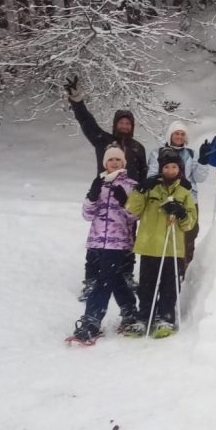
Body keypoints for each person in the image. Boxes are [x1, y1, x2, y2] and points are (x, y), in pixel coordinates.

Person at [64, 75, 147, 301]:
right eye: (121, 122)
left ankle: (126, 275)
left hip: (128, 198)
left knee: (129, 237)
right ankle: (91, 280)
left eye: (128, 123)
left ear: (132, 126)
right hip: (103, 196)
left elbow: (144, 175)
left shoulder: (139, 148)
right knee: (97, 238)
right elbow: (86, 122)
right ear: (115, 124)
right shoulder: (104, 141)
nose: (124, 125)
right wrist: (76, 100)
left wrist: (139, 199)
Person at [66, 146, 139, 345]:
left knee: (104, 280)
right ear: (104, 163)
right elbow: (87, 215)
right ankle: (130, 312)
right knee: (114, 278)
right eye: (110, 160)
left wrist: (125, 202)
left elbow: (136, 215)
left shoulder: (131, 185)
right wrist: (92, 196)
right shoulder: (99, 183)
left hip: (118, 242)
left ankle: (92, 322)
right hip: (97, 241)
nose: (114, 163)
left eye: (118, 160)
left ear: (123, 163)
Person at [123, 149, 198, 338]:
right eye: (167, 167)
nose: (170, 170)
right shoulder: (151, 189)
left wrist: (181, 213)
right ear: (161, 168)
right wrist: (140, 190)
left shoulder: (185, 192)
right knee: (146, 286)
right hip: (150, 246)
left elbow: (189, 224)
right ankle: (144, 317)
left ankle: (165, 317)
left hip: (173, 249)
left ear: (179, 169)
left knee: (169, 286)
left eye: (174, 167)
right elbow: (132, 210)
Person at [147, 121, 208, 269]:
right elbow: (152, 175)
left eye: (182, 134)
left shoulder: (191, 154)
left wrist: (204, 161)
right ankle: (164, 266)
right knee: (164, 233)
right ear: (170, 135)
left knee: (189, 232)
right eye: (176, 133)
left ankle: (184, 267)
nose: (179, 136)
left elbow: (200, 178)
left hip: (189, 199)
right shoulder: (158, 152)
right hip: (165, 198)